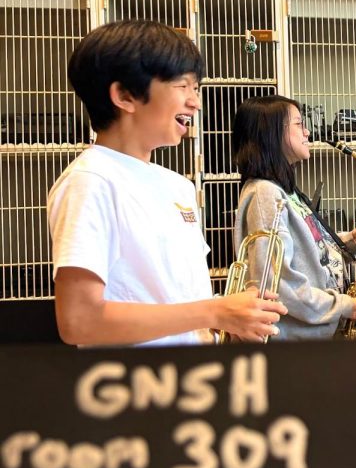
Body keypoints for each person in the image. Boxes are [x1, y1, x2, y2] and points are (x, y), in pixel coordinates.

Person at [48, 20, 286, 347]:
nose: (196, 102)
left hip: (193, 382)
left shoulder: (178, 186)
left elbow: (178, 298)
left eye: (196, 88)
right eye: (182, 86)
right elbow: (79, 320)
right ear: (125, 95)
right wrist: (213, 311)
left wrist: (234, 315)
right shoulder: (91, 181)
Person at [231, 95, 356, 340]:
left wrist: (352, 239)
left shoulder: (284, 191)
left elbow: (305, 249)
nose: (308, 131)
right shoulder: (264, 193)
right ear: (271, 133)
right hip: (293, 348)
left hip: (314, 340)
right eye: (298, 124)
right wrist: (342, 305)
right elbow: (278, 284)